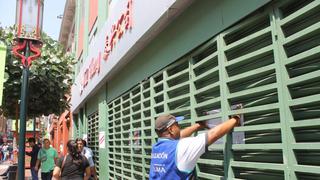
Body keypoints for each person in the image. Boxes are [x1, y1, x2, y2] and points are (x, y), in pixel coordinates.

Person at [149, 114, 241, 179]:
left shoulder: (156, 148)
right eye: (177, 125)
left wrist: (198, 126)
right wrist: (236, 119)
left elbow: (179, 136)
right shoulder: (182, 148)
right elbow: (213, 134)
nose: (179, 128)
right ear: (171, 129)